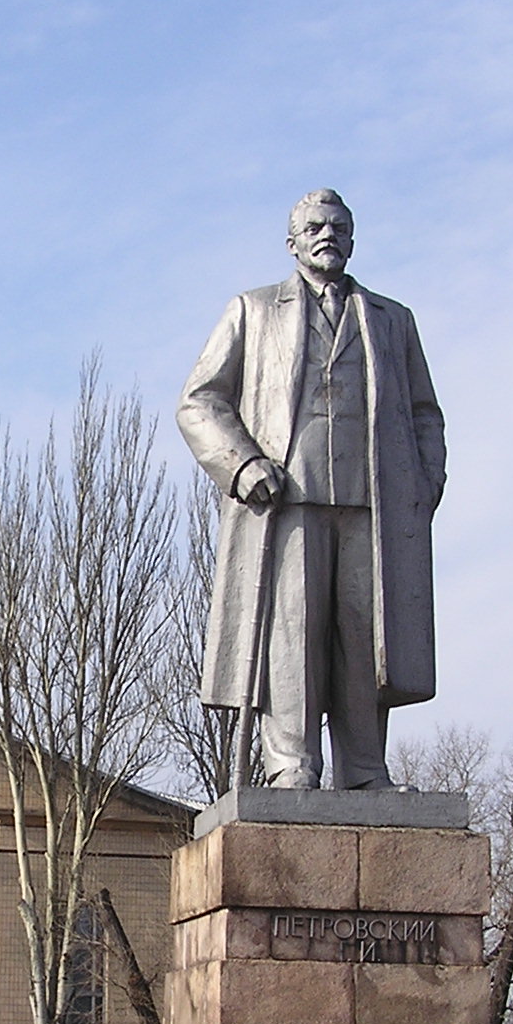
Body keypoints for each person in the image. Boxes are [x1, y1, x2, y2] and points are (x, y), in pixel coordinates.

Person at [178, 189, 446, 791]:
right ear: (293, 241)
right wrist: (242, 465)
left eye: (339, 227)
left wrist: (424, 483)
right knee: (291, 632)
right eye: (315, 226)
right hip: (287, 500)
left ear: (353, 238)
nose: (328, 235)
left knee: (363, 636)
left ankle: (364, 770)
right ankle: (291, 763)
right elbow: (200, 401)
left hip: (372, 502)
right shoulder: (253, 309)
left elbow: (425, 411)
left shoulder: (391, 319)